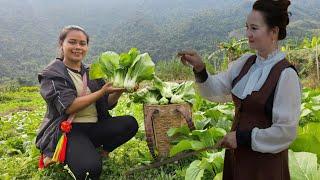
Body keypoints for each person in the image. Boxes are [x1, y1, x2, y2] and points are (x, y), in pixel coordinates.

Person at [178, 0, 300, 179]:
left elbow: (285, 133)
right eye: (247, 27)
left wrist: (242, 138)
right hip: (237, 158)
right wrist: (200, 68)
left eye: (254, 28)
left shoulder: (286, 75)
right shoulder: (245, 63)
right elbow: (216, 89)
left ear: (273, 32)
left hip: (265, 167)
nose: (248, 34)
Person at [35, 25, 138, 179]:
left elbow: (107, 103)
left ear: (87, 47)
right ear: (61, 44)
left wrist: (120, 90)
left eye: (82, 44)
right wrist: (101, 91)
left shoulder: (92, 71)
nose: (78, 47)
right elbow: (68, 107)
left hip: (95, 127)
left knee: (130, 123)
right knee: (90, 171)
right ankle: (65, 153)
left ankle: (101, 152)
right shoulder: (52, 74)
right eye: (72, 42)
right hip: (70, 130)